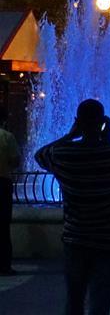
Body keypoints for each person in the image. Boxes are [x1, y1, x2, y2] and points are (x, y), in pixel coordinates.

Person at [34, 99, 110, 315]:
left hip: (75, 237)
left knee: (74, 300)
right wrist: (107, 140)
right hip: (106, 239)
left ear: (77, 122)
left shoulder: (63, 154)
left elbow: (39, 155)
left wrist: (70, 135)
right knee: (101, 301)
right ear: (102, 123)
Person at [0, 106, 22, 276]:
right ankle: (4, 265)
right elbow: (15, 161)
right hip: (2, 183)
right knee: (3, 225)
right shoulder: (7, 137)